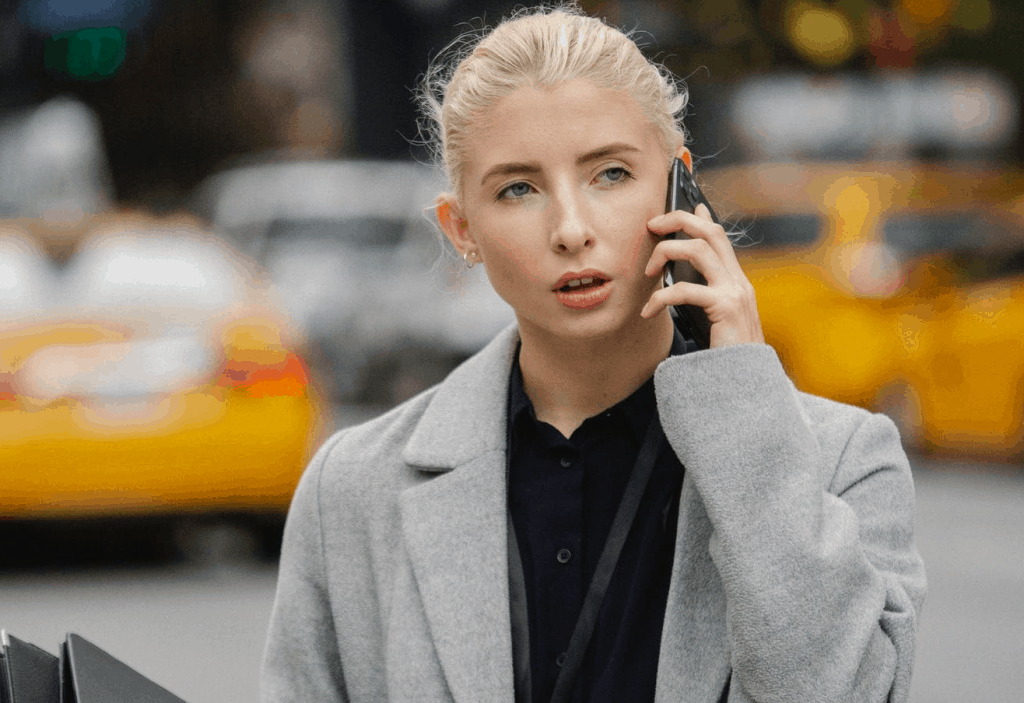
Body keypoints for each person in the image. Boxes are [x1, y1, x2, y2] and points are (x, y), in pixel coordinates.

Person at [260, 5, 926, 702]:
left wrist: (741, 403)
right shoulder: (354, 487)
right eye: (518, 188)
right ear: (462, 230)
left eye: (610, 174)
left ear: (680, 187)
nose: (571, 229)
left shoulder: (845, 461)